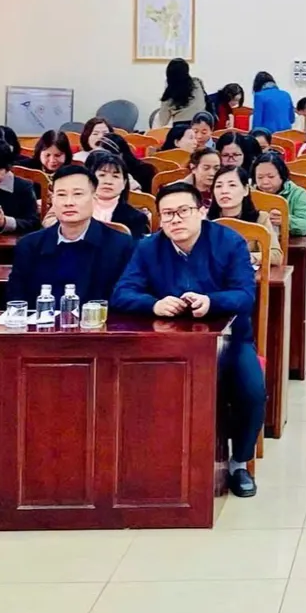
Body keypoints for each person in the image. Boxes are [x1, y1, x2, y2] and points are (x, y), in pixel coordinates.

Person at [112, 182, 266, 497]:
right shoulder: (148, 247)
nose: (176, 219)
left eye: (183, 211)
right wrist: (153, 304)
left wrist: (212, 302)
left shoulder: (229, 242)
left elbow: (245, 295)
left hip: (229, 342)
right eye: (167, 214)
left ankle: (239, 463)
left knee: (252, 391)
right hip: (168, 344)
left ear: (201, 211)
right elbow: (121, 293)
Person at [8, 164, 136, 306]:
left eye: (77, 194)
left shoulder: (121, 246)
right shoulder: (29, 246)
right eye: (61, 195)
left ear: (94, 198)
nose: (69, 203)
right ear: (52, 199)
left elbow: (124, 299)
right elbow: (16, 301)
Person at [211, 165, 280, 264]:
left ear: (246, 190)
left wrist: (250, 257)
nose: (224, 191)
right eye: (218, 186)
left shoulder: (260, 218)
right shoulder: (205, 220)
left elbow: (276, 255)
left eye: (232, 185)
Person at [85, 150, 150, 236]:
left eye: (115, 176)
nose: (108, 181)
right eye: (102, 175)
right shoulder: (76, 210)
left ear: (124, 183)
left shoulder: (136, 218)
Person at [252, 152, 306, 239]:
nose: (265, 182)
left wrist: (285, 221)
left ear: (282, 175)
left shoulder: (298, 193)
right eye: (260, 177)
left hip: (290, 242)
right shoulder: (249, 193)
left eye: (271, 177)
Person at [154, 58, 208, 128]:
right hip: (201, 127)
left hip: (180, 129)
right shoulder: (197, 83)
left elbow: (163, 121)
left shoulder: (169, 94)